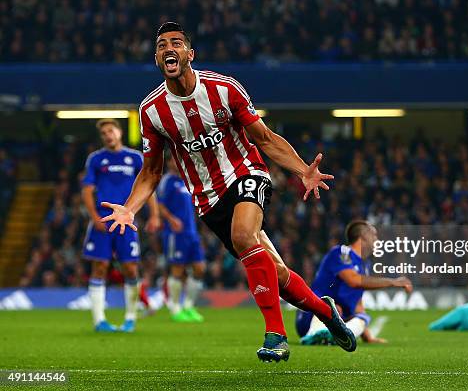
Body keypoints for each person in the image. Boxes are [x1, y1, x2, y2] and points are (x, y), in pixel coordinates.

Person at [100, 22, 356, 362]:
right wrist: (131, 208)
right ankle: (325, 312)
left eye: (176, 43)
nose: (168, 48)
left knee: (243, 236)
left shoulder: (224, 89)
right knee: (275, 273)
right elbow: (151, 171)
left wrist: (300, 170)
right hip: (207, 199)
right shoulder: (152, 110)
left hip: (246, 173)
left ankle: (275, 335)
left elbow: (263, 138)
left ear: (190, 54)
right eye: (161, 45)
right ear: (158, 58)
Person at [82, 118, 161, 333]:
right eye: (104, 133)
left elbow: (147, 185)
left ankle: (130, 319)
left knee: (130, 268)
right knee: (99, 267)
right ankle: (99, 321)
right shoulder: (96, 159)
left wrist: (154, 215)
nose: (108, 135)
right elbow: (87, 189)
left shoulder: (134, 157)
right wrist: (94, 216)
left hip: (126, 220)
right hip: (104, 221)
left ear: (119, 132)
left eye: (111, 130)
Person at [298, 220, 413, 345]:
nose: (377, 239)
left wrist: (367, 336)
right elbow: (353, 280)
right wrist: (393, 282)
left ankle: (341, 337)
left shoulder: (365, 266)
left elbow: (357, 305)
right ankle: (315, 333)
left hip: (336, 319)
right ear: (363, 236)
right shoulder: (342, 252)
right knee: (332, 307)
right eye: (374, 235)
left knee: (363, 318)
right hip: (310, 315)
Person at [157, 156, 206, 322]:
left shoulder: (187, 181)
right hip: (175, 233)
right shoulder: (167, 181)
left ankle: (189, 306)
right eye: (173, 160)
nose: (176, 162)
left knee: (199, 268)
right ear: (169, 162)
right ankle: (175, 307)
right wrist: (171, 220)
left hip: (191, 233)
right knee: (177, 270)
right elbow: (160, 204)